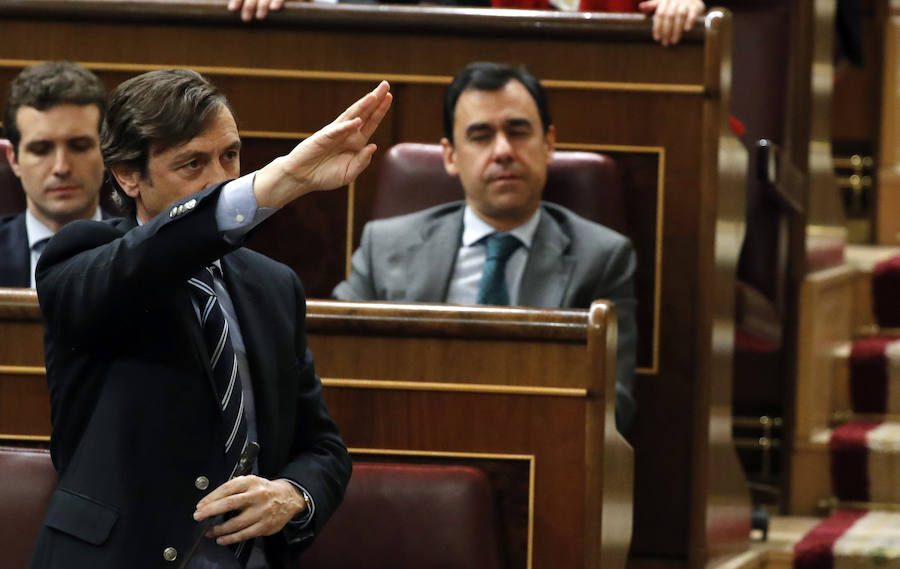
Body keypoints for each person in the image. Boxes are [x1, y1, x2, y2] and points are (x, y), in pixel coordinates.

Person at [29, 69, 391, 569]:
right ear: (128, 175)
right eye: (192, 163)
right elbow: (151, 256)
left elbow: (322, 446)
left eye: (231, 156)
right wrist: (278, 182)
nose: (221, 180)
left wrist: (292, 494)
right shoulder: (82, 258)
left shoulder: (273, 285)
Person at [332, 62, 637, 432]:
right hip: (410, 441)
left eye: (518, 131)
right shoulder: (385, 247)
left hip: (541, 453)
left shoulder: (602, 259)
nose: (503, 150)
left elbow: (614, 406)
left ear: (549, 143)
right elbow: (337, 372)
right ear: (450, 155)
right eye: (481, 136)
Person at [0, 61, 107, 288]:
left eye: (79, 146)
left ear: (106, 151)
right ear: (13, 159)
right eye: (41, 150)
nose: (61, 167)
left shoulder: (145, 251)